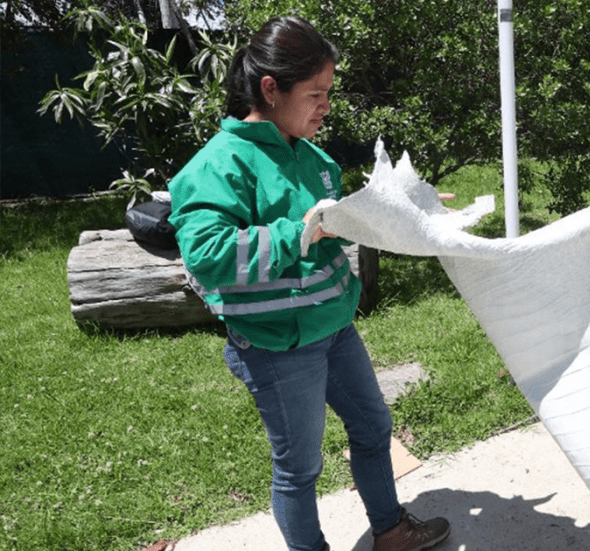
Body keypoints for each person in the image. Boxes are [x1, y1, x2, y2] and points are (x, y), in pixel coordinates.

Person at [168, 16, 451, 551]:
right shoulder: (218, 165)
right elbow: (206, 255)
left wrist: (400, 210)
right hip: (276, 345)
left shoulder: (317, 160)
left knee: (373, 428)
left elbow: (334, 229)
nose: (326, 106)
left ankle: (389, 530)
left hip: (335, 330)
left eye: (329, 93)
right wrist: (299, 231)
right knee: (299, 468)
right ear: (271, 90)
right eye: (316, 94)